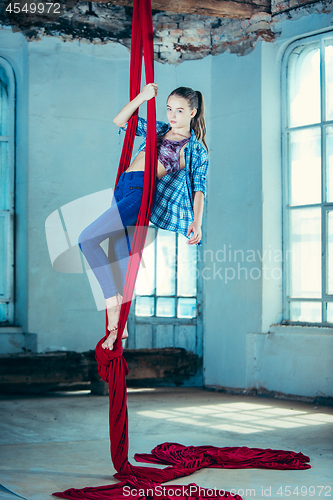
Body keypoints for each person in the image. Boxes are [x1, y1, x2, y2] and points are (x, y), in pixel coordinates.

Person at [78, 84, 209, 350]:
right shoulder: (159, 129)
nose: (173, 115)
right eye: (169, 109)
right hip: (123, 187)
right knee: (121, 262)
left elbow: (199, 187)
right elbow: (120, 120)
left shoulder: (194, 150)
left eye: (180, 110)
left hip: (141, 192)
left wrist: (197, 221)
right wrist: (143, 97)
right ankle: (118, 330)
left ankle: (111, 299)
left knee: (87, 240)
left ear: (193, 112)